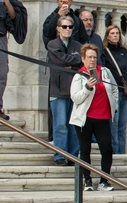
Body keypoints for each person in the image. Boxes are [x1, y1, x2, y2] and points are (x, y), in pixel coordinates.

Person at [70, 44, 117, 191]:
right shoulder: (79, 76)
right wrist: (87, 88)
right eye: (89, 57)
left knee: (107, 149)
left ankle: (104, 181)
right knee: (85, 149)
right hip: (85, 118)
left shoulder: (104, 72)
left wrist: (114, 104)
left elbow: (114, 88)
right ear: (83, 59)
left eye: (94, 57)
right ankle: (87, 180)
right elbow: (75, 98)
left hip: (103, 116)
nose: (92, 60)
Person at [46, 17, 83, 165]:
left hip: (75, 91)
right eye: (64, 26)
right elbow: (59, 60)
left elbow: (81, 61)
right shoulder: (52, 44)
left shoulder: (78, 45)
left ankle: (72, 155)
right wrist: (73, 62)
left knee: (74, 126)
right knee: (60, 125)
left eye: (70, 27)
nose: (67, 29)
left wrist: (70, 64)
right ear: (58, 28)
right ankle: (60, 155)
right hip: (58, 90)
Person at [102, 25, 127, 155]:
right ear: (107, 36)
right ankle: (114, 153)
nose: (115, 35)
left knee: (122, 125)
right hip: (112, 93)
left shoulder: (124, 51)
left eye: (117, 33)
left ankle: (122, 153)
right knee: (113, 125)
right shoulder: (104, 51)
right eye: (112, 33)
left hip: (124, 93)